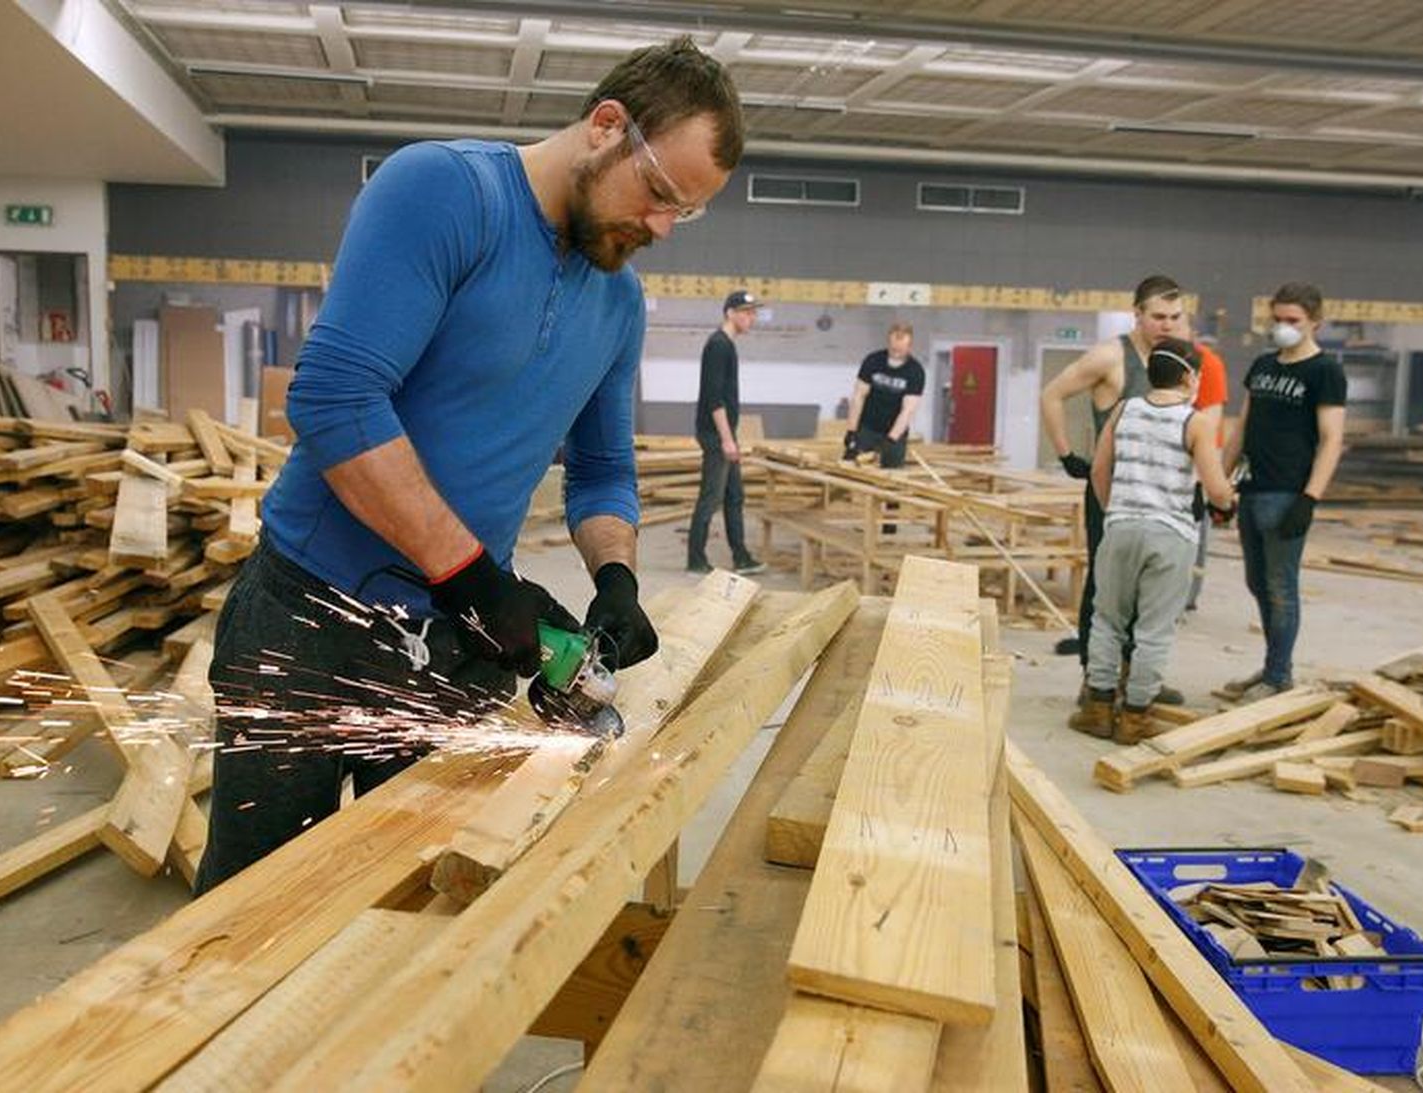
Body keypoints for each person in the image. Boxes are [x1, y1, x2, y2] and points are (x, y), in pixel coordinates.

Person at [193, 37, 745, 894]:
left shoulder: (620, 300)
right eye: (662, 194)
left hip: (453, 642)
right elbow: (336, 401)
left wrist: (617, 578)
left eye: (689, 213)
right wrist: (476, 578)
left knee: (413, 900)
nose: (664, 228)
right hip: (308, 621)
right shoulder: (445, 192)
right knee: (252, 902)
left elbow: (601, 469)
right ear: (607, 127)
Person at [1070, 338, 1236, 744]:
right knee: (1153, 630)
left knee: (1107, 621)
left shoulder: (1124, 410)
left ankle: (1098, 707)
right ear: (1187, 376)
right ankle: (1136, 717)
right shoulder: (1195, 421)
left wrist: (1116, 513)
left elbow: (1098, 471)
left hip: (1121, 528)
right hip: (1170, 535)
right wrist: (1230, 499)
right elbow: (1215, 490)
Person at [1039, 274, 1184, 698]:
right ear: (1137, 313)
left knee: (1151, 590)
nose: (1167, 324)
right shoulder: (1110, 357)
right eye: (1158, 316)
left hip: (1159, 495)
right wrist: (1067, 454)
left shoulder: (1176, 360)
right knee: (1106, 588)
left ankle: (1137, 678)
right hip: (1112, 489)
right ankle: (1095, 680)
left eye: (1175, 317)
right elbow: (1051, 395)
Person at [1220, 282, 1347, 702]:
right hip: (1253, 488)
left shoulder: (1324, 371)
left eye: (1293, 321)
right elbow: (1242, 426)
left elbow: (1331, 439)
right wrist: (1218, 484)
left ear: (1315, 323)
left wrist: (1310, 498)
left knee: (1281, 586)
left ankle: (1278, 675)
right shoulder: (1262, 365)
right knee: (1257, 582)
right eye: (1277, 319)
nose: (1283, 327)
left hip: (1287, 494)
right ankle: (1274, 666)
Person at [686, 289, 765, 575]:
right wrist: (727, 439)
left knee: (735, 496)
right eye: (746, 312)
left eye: (753, 313)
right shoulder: (718, 345)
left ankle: (741, 556)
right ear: (730, 313)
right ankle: (695, 559)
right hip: (716, 435)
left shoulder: (727, 345)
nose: (751, 317)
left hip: (724, 433)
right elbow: (713, 398)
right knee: (711, 497)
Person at [1178, 313, 1229, 611]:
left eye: (1176, 322)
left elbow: (1209, 425)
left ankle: (1187, 597)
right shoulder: (1152, 362)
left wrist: (1203, 480)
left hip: (1194, 461)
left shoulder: (1207, 364)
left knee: (1193, 536)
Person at [842, 322, 925, 467]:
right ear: (889, 341)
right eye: (893, 347)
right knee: (851, 468)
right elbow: (858, 397)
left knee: (891, 477)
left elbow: (908, 410)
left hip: (894, 431)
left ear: (909, 346)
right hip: (867, 428)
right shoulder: (873, 361)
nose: (896, 351)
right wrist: (851, 431)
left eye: (900, 348)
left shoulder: (915, 371)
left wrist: (891, 440)